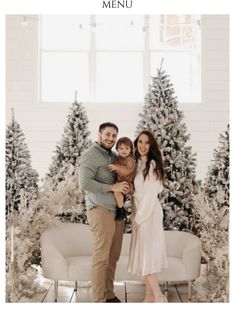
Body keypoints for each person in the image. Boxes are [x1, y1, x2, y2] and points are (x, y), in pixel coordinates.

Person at [79, 122, 129, 303]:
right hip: (100, 211)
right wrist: (111, 187)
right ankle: (98, 300)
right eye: (107, 134)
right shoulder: (90, 155)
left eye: (114, 136)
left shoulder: (113, 156)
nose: (111, 138)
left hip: (117, 212)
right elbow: (84, 184)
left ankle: (108, 294)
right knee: (101, 257)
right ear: (99, 134)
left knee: (113, 256)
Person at [127, 130, 168, 303]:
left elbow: (151, 196)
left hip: (148, 214)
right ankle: (149, 296)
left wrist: (138, 219)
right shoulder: (137, 164)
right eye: (140, 142)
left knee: (147, 255)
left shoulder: (152, 165)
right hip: (140, 213)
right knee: (144, 253)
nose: (142, 146)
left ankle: (159, 296)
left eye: (147, 143)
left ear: (151, 146)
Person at [108, 137, 137, 221]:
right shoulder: (117, 159)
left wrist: (117, 168)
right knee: (116, 191)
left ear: (131, 150)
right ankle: (120, 204)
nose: (124, 150)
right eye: (121, 148)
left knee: (117, 192)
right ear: (117, 149)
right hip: (119, 182)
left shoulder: (130, 161)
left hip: (127, 184)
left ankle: (121, 210)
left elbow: (127, 171)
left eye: (127, 148)